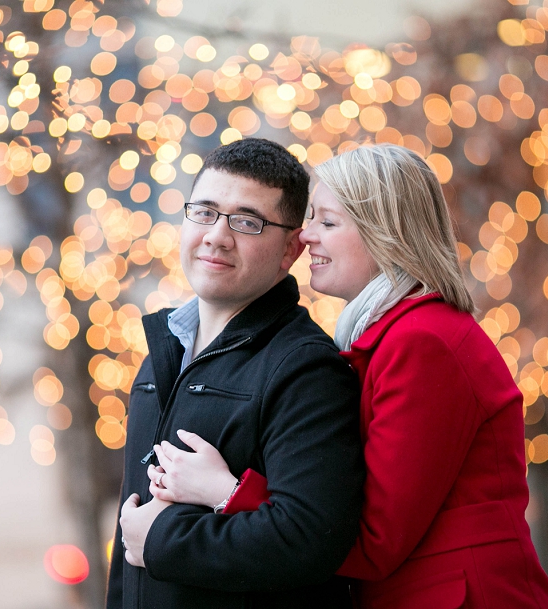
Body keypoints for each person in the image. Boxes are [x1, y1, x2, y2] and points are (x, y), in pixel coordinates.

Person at [147, 144, 548, 609]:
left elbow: (374, 539)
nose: (305, 237)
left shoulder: (423, 343)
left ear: (385, 233)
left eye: (327, 221)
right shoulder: (390, 337)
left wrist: (225, 492)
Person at [107, 138, 365, 609]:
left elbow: (307, 541)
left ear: (291, 248)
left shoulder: (306, 369)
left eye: (247, 222)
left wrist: (163, 540)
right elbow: (130, 540)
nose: (216, 236)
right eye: (204, 212)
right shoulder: (158, 358)